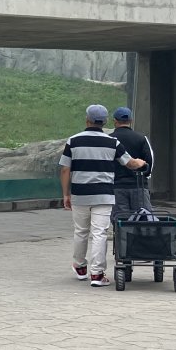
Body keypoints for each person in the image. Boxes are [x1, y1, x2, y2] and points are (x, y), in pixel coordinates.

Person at [59, 104, 148, 287]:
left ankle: (80, 267)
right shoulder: (112, 142)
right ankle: (97, 275)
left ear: (87, 120)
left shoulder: (73, 141)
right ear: (105, 121)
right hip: (104, 195)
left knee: (81, 231)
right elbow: (129, 163)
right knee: (99, 233)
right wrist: (139, 162)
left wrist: (66, 194)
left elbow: (65, 169)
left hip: (80, 193)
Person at [109, 106, 155, 225]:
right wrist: (146, 176)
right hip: (139, 186)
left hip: (116, 187)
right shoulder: (141, 138)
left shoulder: (109, 140)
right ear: (131, 121)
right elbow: (150, 161)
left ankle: (122, 243)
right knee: (144, 220)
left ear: (115, 121)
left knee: (121, 223)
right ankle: (141, 243)